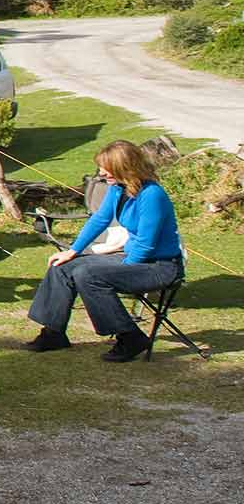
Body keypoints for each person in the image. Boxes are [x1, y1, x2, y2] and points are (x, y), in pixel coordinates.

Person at [25, 140, 184, 362]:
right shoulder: (118, 189)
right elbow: (99, 219)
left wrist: (121, 270)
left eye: (106, 168)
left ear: (125, 168)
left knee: (88, 274)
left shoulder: (152, 195)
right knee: (63, 266)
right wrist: (72, 251)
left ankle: (130, 338)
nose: (101, 173)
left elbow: (146, 245)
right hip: (134, 258)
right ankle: (53, 333)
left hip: (160, 266)